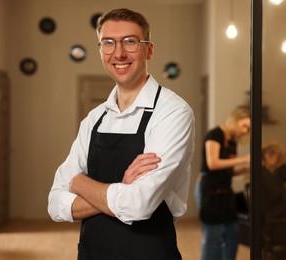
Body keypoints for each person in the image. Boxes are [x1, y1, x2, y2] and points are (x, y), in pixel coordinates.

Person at [47, 8, 195, 260]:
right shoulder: (94, 119)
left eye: (130, 41)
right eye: (108, 43)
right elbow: (55, 205)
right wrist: (121, 186)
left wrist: (79, 182)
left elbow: (139, 204)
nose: (118, 53)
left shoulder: (172, 112)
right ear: (101, 50)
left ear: (149, 50)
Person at [195, 105, 250, 260]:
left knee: (233, 235)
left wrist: (243, 170)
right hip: (208, 190)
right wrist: (244, 160)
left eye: (248, 128)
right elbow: (212, 164)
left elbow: (227, 169)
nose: (245, 131)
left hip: (225, 192)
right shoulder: (215, 135)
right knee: (212, 238)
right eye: (244, 126)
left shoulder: (232, 141)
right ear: (235, 120)